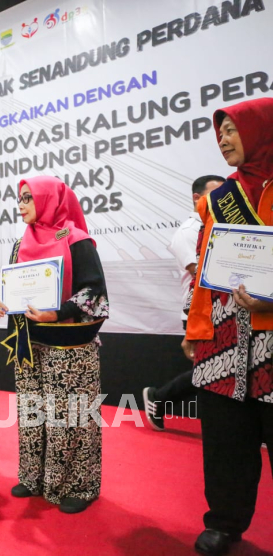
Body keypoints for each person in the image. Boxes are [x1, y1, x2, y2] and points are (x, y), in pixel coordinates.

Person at [183, 98, 273, 556]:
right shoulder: (218, 199)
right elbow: (205, 269)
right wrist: (194, 328)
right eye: (220, 132)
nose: (223, 139)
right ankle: (224, 521)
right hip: (223, 340)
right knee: (225, 441)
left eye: (233, 129)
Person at [0, 176, 108, 514]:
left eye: (28, 197)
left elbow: (93, 292)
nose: (21, 204)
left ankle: (79, 486)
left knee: (72, 417)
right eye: (19, 198)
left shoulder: (76, 240)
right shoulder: (20, 244)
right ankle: (34, 478)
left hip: (70, 349)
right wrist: (0, 300)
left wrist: (56, 313)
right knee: (32, 414)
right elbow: (15, 288)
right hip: (30, 345)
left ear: (48, 200)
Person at [142, 175, 224, 431]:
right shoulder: (189, 232)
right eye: (216, 194)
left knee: (216, 370)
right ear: (197, 198)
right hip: (199, 311)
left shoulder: (220, 225)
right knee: (211, 370)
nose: (224, 199)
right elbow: (202, 275)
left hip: (225, 309)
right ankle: (159, 397)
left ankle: (159, 397)